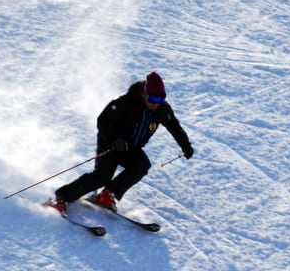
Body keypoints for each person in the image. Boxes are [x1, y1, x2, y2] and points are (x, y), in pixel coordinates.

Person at [47, 71, 193, 213]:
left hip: (131, 148)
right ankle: (62, 198)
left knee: (142, 165)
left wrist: (185, 145)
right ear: (144, 93)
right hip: (111, 143)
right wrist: (113, 140)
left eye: (160, 100)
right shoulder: (125, 102)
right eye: (152, 99)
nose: (156, 104)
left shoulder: (162, 109)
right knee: (102, 177)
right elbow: (102, 120)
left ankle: (107, 195)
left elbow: (174, 127)